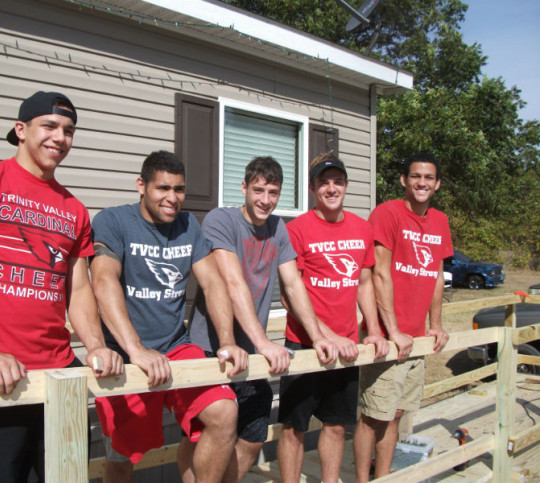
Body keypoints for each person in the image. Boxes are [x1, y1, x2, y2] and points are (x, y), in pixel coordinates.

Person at [0, 91, 123, 482]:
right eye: (49, 126)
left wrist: (97, 346)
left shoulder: (74, 209)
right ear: (21, 130)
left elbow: (79, 290)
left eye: (69, 130)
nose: (60, 138)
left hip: (58, 379)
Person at [90, 150, 249, 483]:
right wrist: (136, 350)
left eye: (179, 190)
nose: (172, 198)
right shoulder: (113, 220)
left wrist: (228, 342)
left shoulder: (188, 224)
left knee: (224, 412)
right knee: (122, 459)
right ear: (141, 186)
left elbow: (213, 283)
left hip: (177, 347)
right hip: (125, 353)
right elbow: (103, 280)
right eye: (163, 188)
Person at [180, 156, 339, 482]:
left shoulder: (278, 228)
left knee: (252, 436)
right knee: (201, 433)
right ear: (244, 187)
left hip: (251, 352)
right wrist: (264, 342)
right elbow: (232, 282)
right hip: (211, 348)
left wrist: (319, 335)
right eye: (259, 190)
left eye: (273, 192)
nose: (265, 200)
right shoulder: (220, 220)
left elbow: (293, 284)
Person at [276, 153, 390, 483]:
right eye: (324, 182)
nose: (331, 188)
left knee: (337, 425)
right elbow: (288, 295)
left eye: (337, 182)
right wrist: (325, 336)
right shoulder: (295, 230)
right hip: (303, 344)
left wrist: (374, 330)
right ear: (313, 188)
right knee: (294, 428)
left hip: (347, 346)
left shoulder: (361, 228)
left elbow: (365, 282)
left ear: (346, 186)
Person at [353, 152, 452, 481]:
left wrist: (435, 325)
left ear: (436, 184)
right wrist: (391, 330)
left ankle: (383, 477)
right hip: (386, 337)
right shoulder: (388, 213)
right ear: (404, 181)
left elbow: (436, 276)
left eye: (428, 177)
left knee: (394, 414)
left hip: (416, 338)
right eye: (415, 176)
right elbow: (379, 273)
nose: (421, 182)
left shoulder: (440, 221)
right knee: (372, 416)